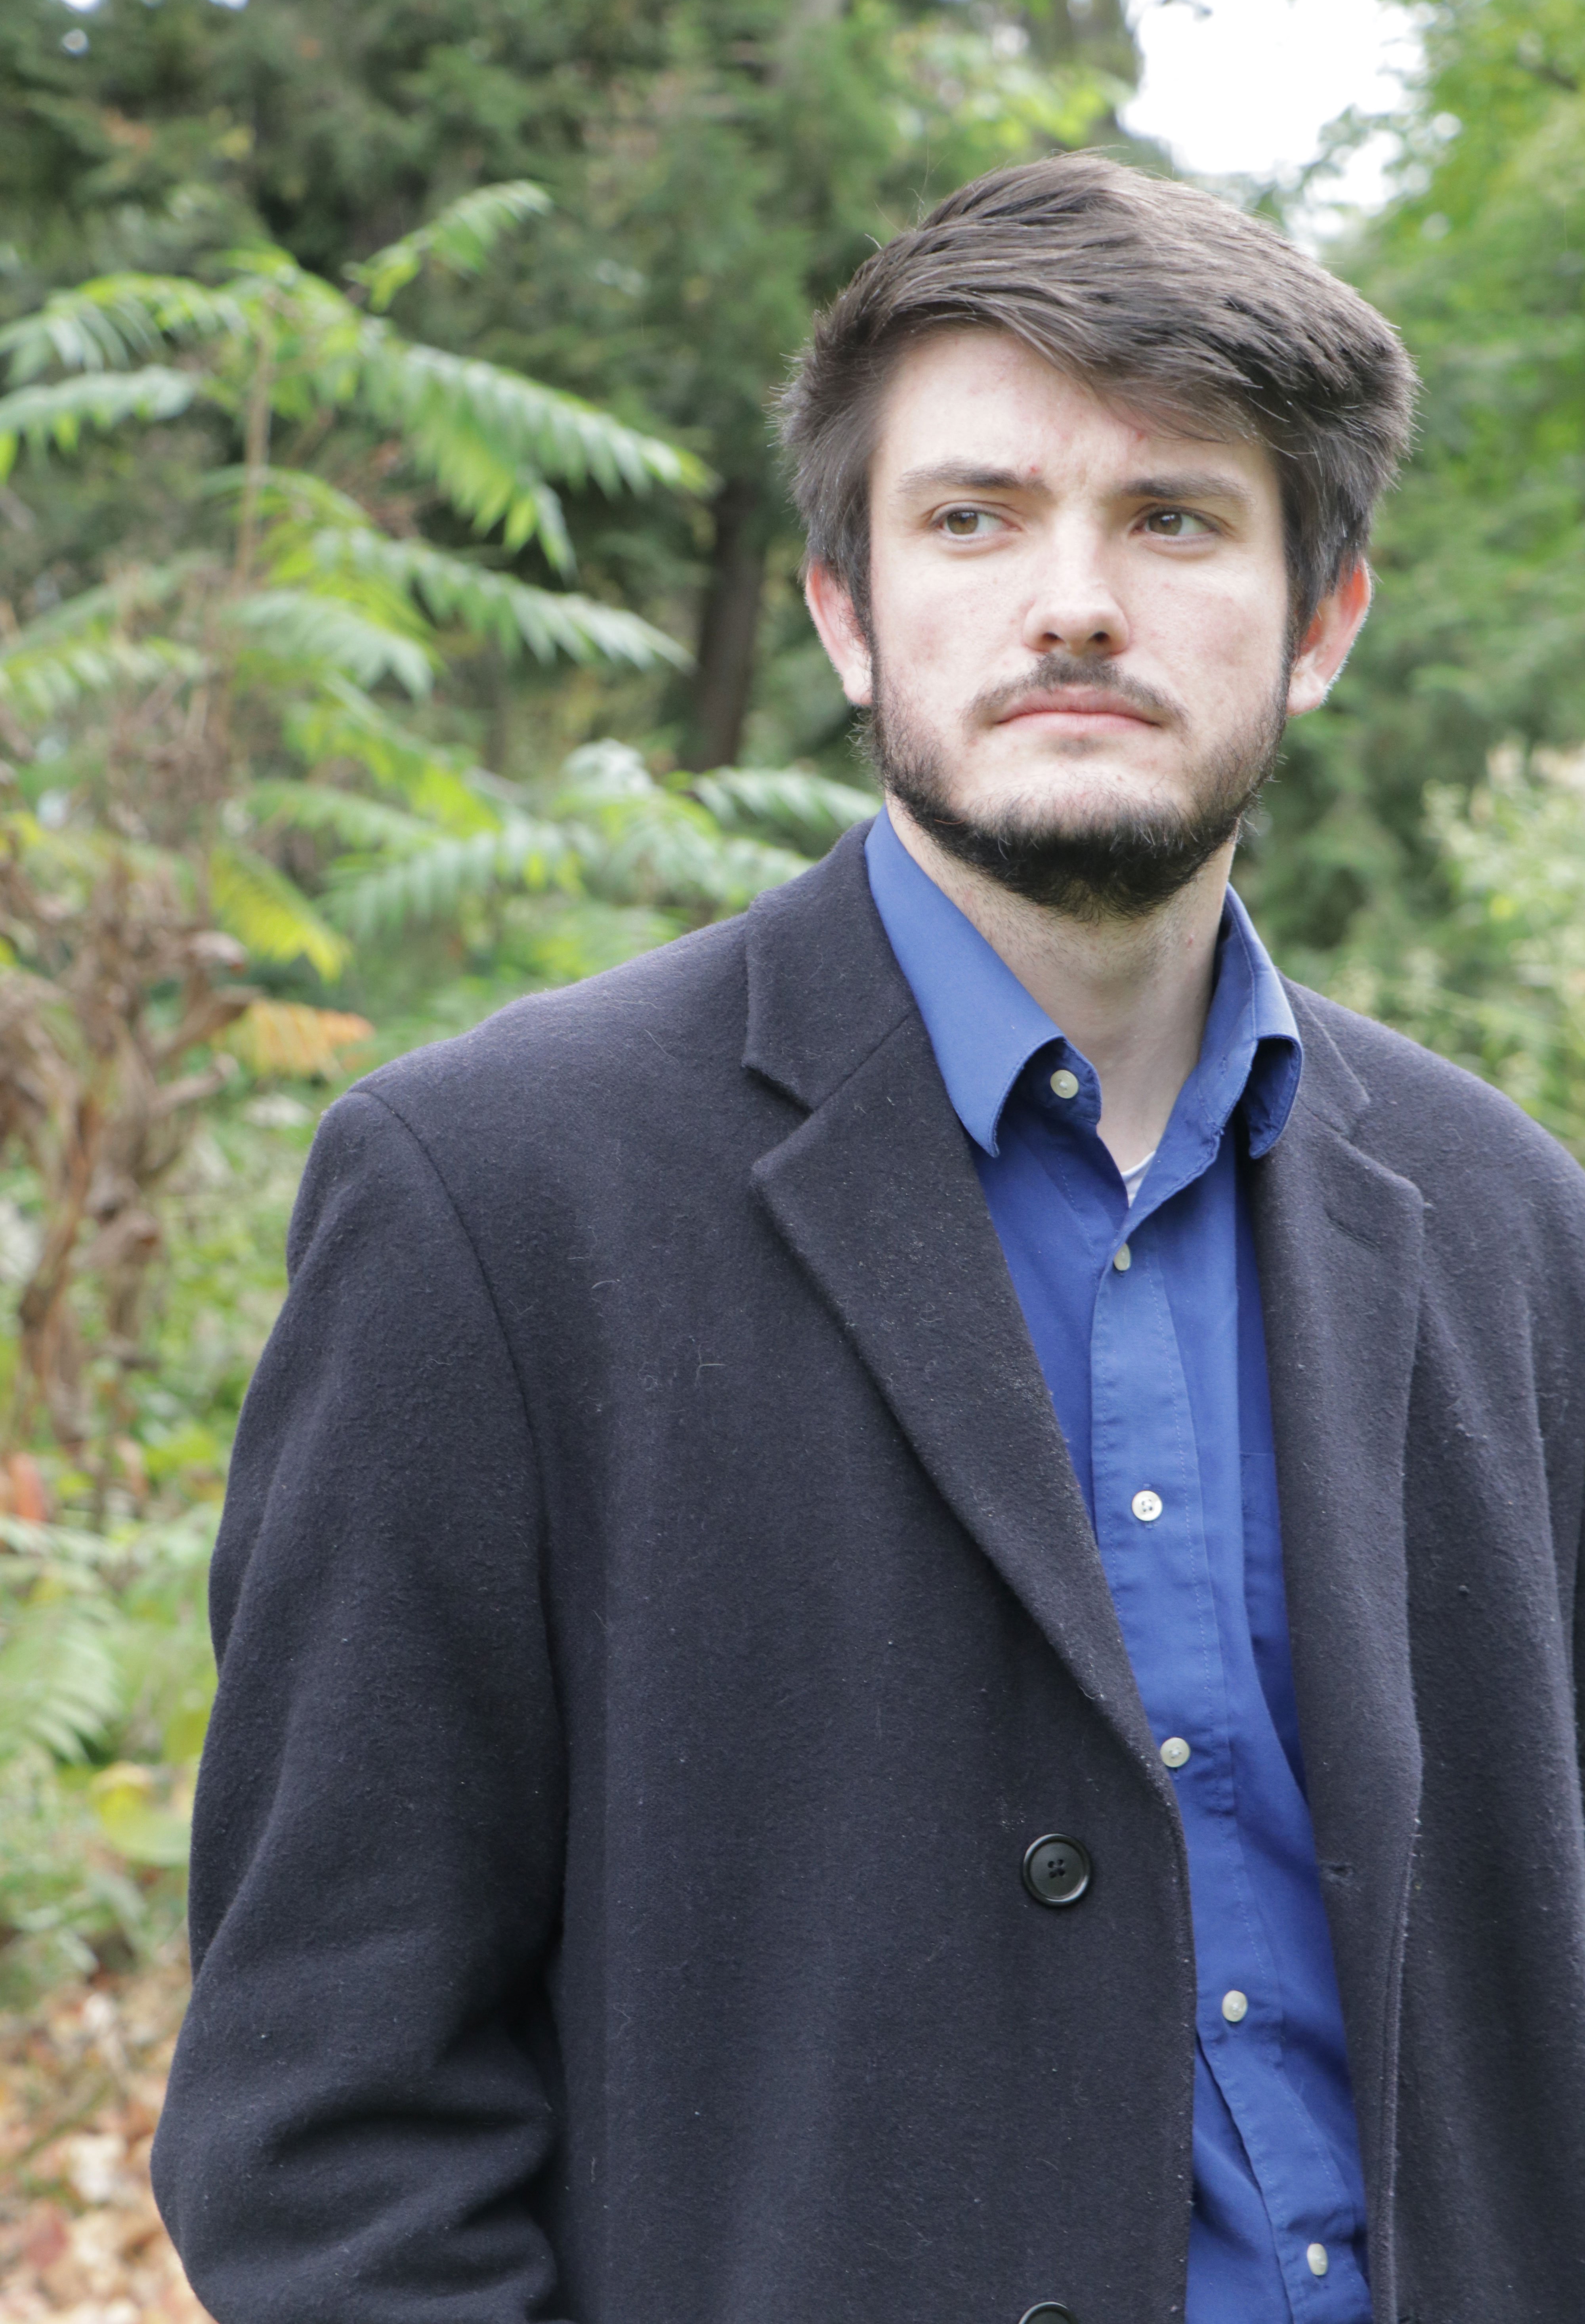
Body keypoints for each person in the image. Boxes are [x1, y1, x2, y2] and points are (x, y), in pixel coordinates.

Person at [153, 155, 1585, 2324]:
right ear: (846, 611)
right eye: (976, 517)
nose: (1076, 602)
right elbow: (325, 2123)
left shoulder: (1515, 1229)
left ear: (1324, 623)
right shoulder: (493, 1203)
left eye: (1176, 518)